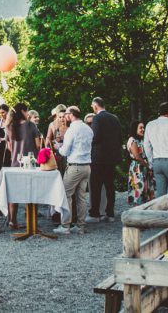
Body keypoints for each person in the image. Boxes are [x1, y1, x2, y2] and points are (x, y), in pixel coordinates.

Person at [56, 106, 93, 234]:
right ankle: (81, 226)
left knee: (66, 195)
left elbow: (65, 151)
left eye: (66, 114)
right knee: (81, 197)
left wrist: (58, 147)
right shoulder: (88, 129)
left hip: (75, 167)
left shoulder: (71, 130)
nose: (65, 116)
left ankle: (65, 226)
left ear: (71, 115)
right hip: (87, 166)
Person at [88, 97, 122, 222]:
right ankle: (110, 213)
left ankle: (95, 213)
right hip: (112, 158)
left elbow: (95, 137)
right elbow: (119, 137)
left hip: (99, 157)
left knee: (96, 185)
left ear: (95, 106)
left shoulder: (97, 118)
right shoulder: (115, 118)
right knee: (110, 186)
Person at [126, 121, 154, 206]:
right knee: (138, 190)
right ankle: (137, 211)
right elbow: (137, 157)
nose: (143, 129)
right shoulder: (132, 140)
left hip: (144, 167)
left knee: (146, 189)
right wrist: (148, 166)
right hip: (137, 168)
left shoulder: (141, 139)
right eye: (140, 128)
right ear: (135, 129)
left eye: (143, 127)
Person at [45, 103, 69, 176]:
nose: (62, 119)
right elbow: (48, 140)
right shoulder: (69, 124)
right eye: (60, 117)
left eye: (63, 116)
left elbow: (47, 141)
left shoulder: (52, 124)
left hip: (59, 155)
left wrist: (50, 147)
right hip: (66, 154)